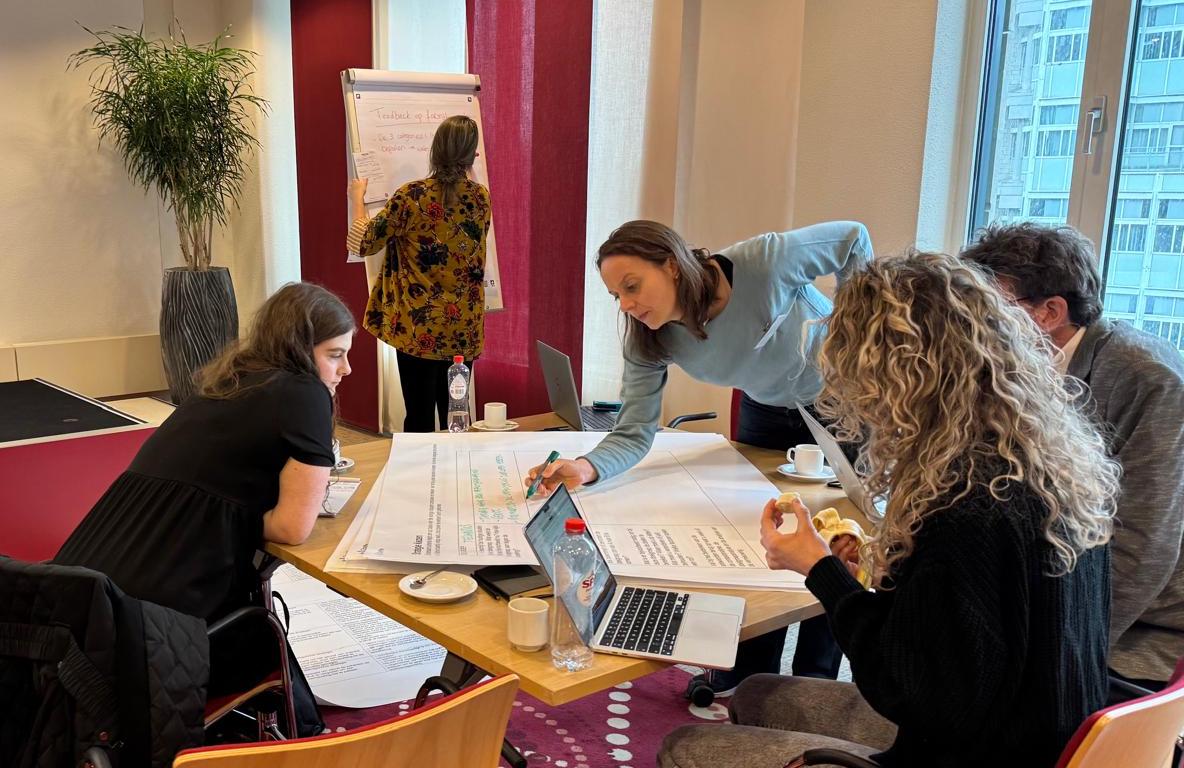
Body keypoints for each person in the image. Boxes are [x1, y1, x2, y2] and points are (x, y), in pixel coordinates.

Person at [660, 251, 1120, 768]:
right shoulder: (1048, 458)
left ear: (894, 377)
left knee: (684, 747)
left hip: (972, 748)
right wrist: (875, 580)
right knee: (756, 691)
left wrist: (822, 573)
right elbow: (962, 632)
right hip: (1040, 731)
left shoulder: (964, 506)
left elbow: (905, 688)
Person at [525, 219, 874, 690]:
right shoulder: (649, 338)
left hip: (844, 400)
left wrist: (856, 330)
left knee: (838, 536)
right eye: (617, 296)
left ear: (671, 265)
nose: (627, 305)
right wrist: (583, 468)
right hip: (767, 408)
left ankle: (816, 682)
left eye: (632, 286)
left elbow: (853, 238)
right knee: (765, 527)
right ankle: (751, 676)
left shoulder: (764, 263)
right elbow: (633, 432)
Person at [55, 281, 355, 736]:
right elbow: (294, 527)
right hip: (150, 629)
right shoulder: (303, 392)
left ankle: (301, 727)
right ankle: (303, 735)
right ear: (299, 348)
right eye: (335, 354)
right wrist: (240, 518)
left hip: (78, 601)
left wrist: (233, 513)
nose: (346, 368)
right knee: (260, 631)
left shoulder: (225, 383)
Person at [962, 223, 1184, 693]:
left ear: (1050, 312)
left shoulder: (1148, 378)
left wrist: (1063, 651)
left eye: (990, 310)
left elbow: (1144, 545)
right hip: (1071, 587)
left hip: (1148, 630)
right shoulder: (1030, 364)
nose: (976, 327)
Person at [347, 114, 492, 432]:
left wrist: (356, 198)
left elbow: (365, 243)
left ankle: (419, 479)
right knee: (457, 417)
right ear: (472, 155)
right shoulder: (480, 199)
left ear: (434, 151)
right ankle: (459, 476)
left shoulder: (411, 197)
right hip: (463, 329)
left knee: (419, 419)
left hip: (419, 327)